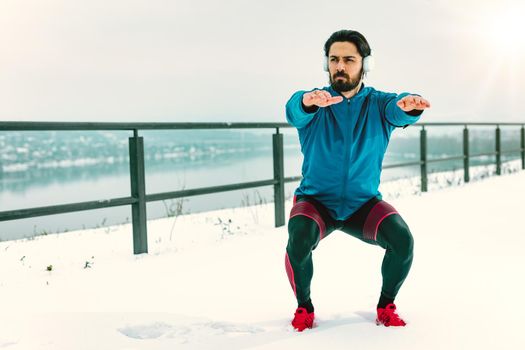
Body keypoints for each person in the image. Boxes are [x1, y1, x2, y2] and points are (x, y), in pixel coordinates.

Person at [284, 29, 431, 331]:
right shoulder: (317, 102)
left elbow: (398, 108)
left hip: (361, 205)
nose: (340, 65)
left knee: (402, 240)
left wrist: (409, 106)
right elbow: (295, 109)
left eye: (349, 59)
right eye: (334, 59)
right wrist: (308, 102)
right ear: (326, 64)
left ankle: (385, 305)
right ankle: (304, 308)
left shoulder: (378, 104)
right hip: (315, 202)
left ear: (365, 63)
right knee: (298, 240)